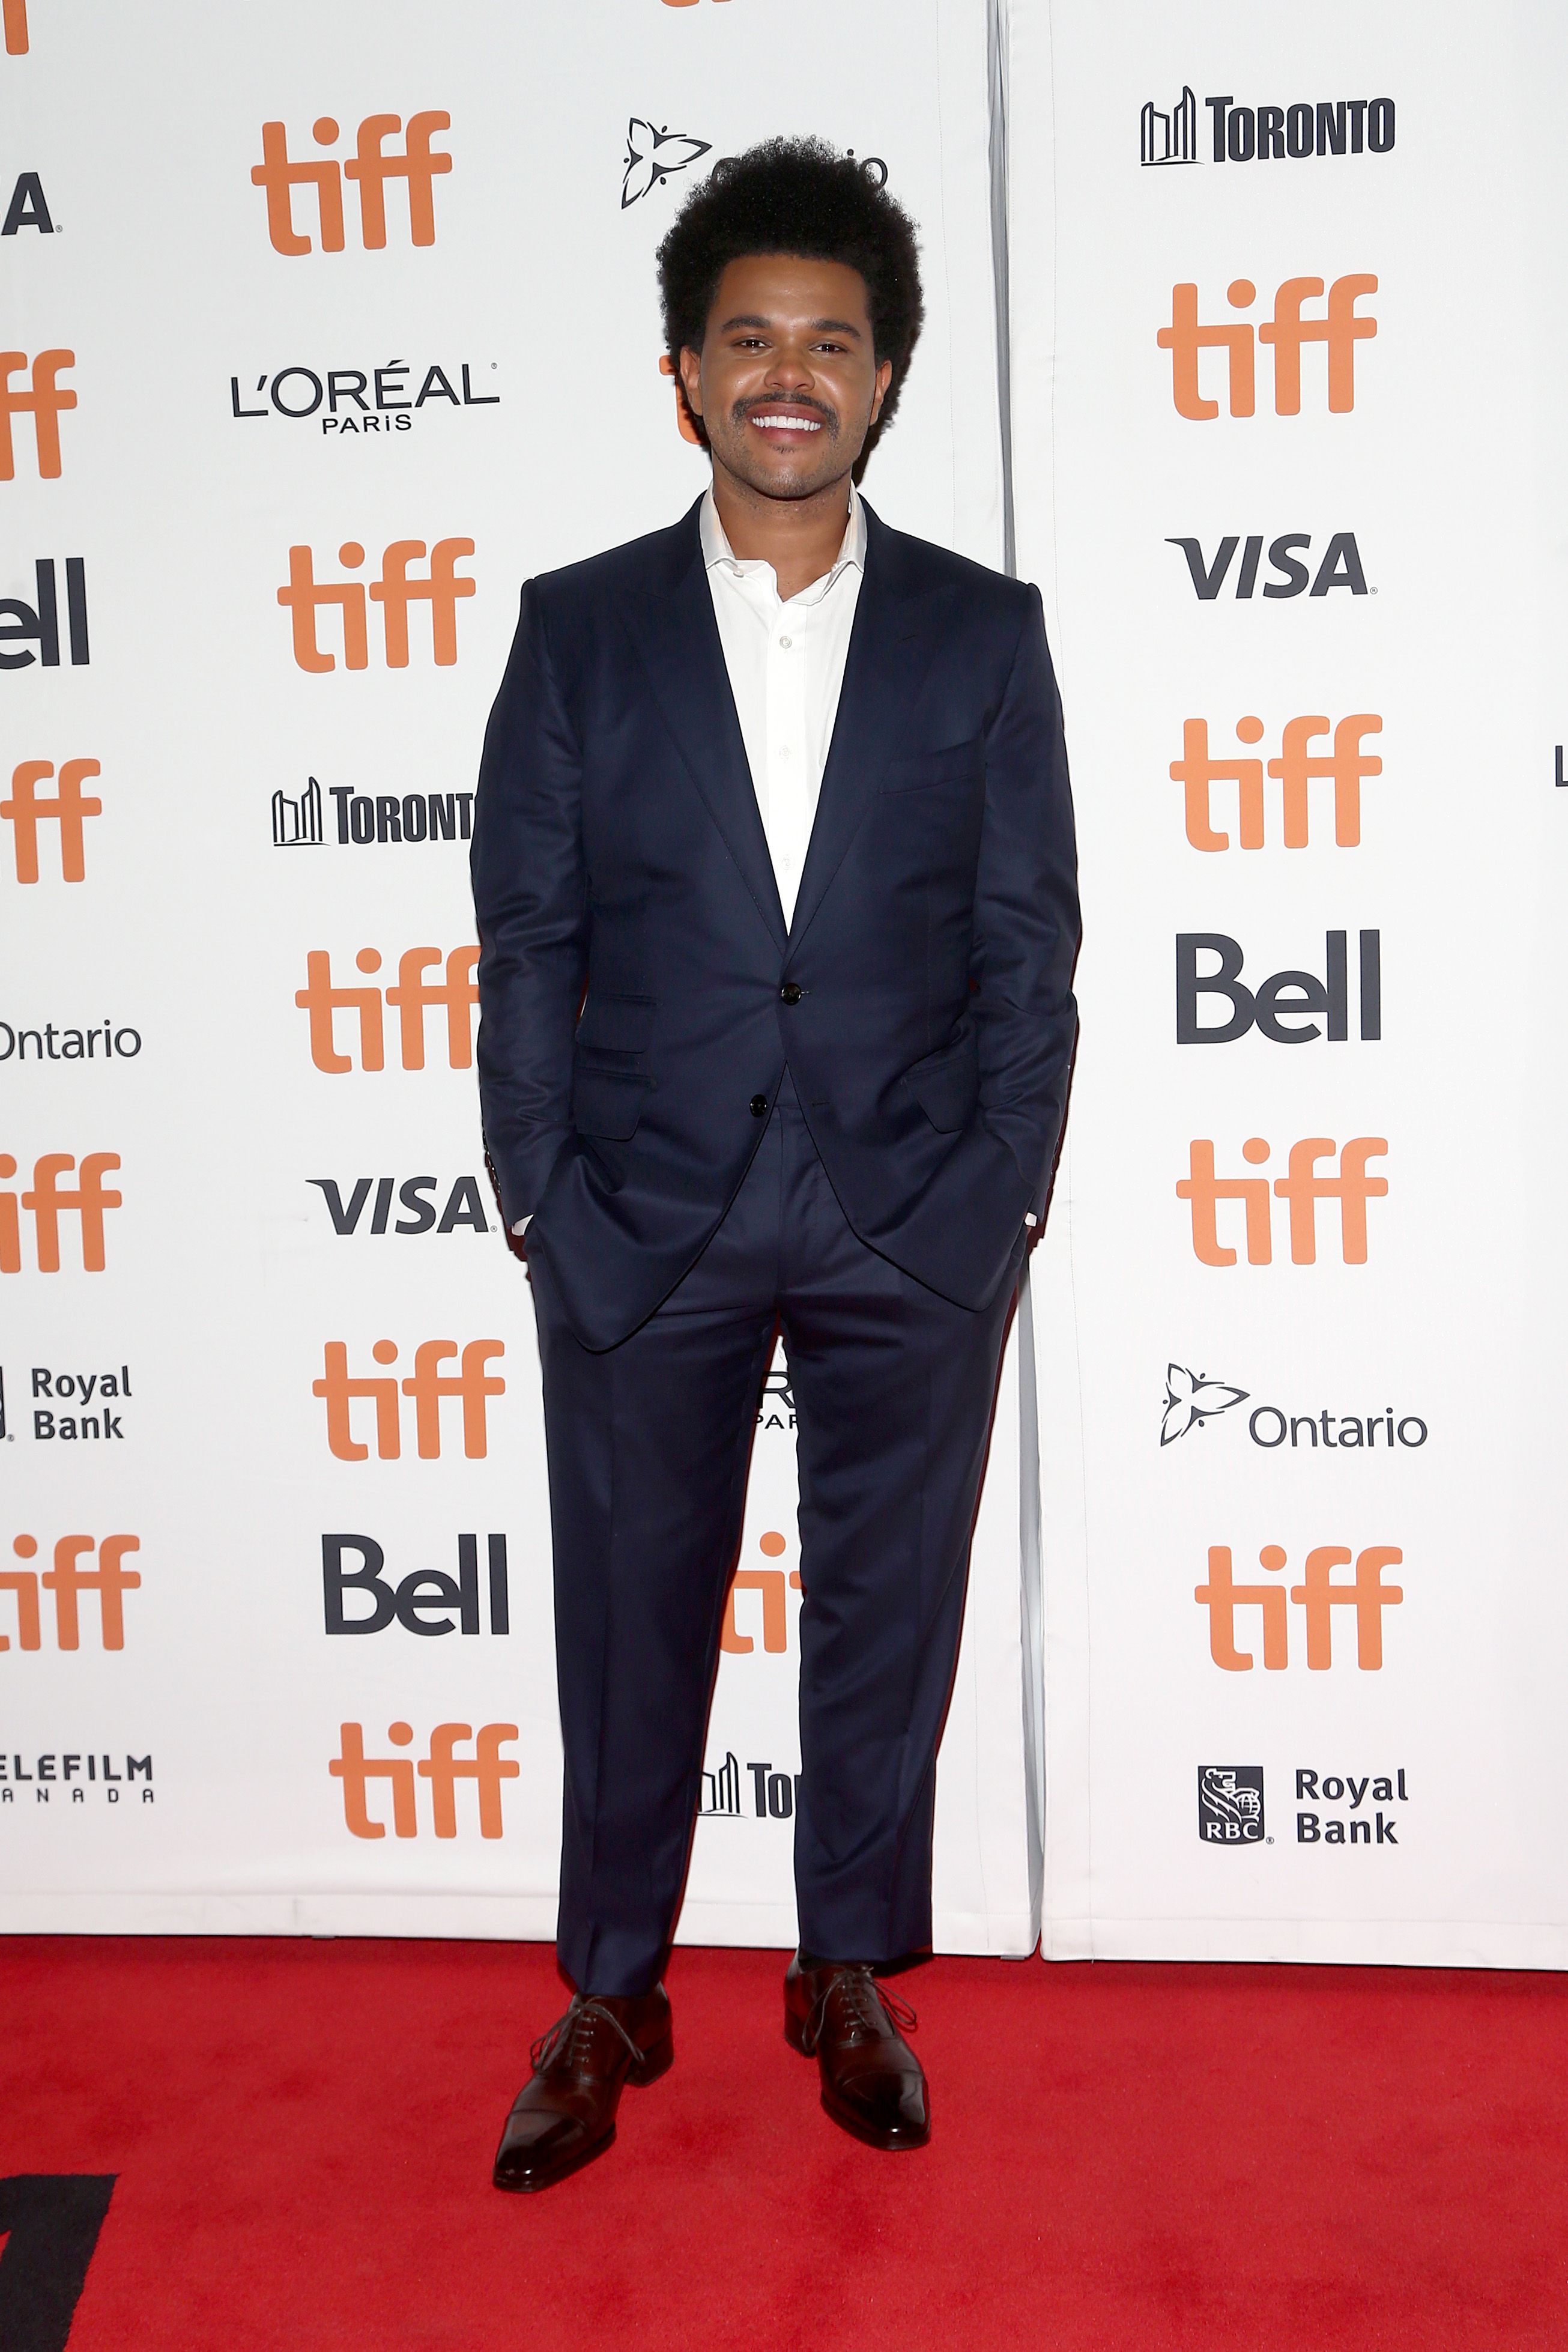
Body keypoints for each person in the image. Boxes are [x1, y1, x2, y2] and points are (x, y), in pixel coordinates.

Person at [471, 136, 1078, 2192]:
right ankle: (613, 1985)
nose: (789, 373)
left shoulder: (983, 635)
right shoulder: (578, 629)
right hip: (644, 1210)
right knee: (628, 1611)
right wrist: (542, 1196)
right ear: (685, 372)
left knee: (880, 1616)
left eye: (831, 340)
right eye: (749, 339)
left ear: (888, 376)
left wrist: (998, 1198)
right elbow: (526, 937)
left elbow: (1027, 944)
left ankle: (842, 1965)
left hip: (908, 1210)